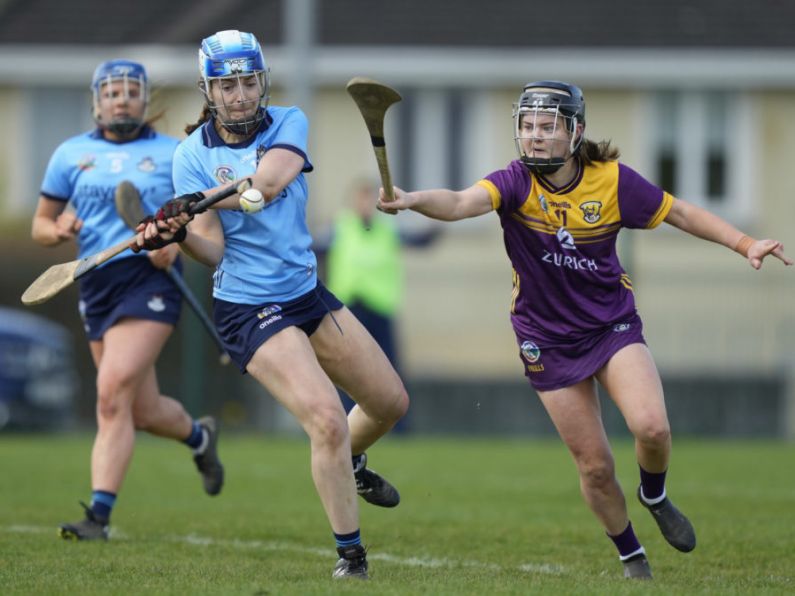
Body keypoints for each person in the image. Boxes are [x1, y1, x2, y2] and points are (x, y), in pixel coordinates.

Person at [376, 80, 792, 579]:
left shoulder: (612, 182)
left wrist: (743, 242)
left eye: (547, 127)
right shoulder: (514, 182)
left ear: (575, 131)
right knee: (594, 467)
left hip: (610, 325)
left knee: (653, 428)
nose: (534, 137)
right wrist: (414, 198)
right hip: (545, 338)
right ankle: (631, 556)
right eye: (527, 126)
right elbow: (462, 202)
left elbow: (679, 211)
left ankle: (654, 493)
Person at [131, 30, 409, 579]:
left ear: (262, 82)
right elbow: (211, 248)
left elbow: (268, 187)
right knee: (327, 419)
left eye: (247, 81)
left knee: (390, 403)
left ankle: (350, 461)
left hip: (305, 292)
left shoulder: (289, 122)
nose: (239, 94)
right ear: (208, 90)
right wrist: (178, 232)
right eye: (226, 84)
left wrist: (198, 200)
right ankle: (351, 556)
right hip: (247, 305)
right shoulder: (191, 156)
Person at [31, 59, 225, 541]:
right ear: (98, 101)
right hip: (95, 283)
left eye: (131, 92)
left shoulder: (174, 154)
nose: (122, 100)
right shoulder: (70, 154)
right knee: (140, 409)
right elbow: (41, 223)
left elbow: (200, 222)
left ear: (145, 100)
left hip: (150, 281)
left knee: (111, 391)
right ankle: (200, 437)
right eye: (112, 92)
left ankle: (97, 516)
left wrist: (174, 244)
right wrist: (57, 231)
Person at [317, 179, 440, 430]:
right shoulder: (340, 227)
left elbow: (421, 240)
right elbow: (311, 248)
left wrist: (438, 216)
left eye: (369, 199)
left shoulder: (389, 228)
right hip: (348, 309)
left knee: (389, 369)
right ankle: (347, 425)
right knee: (347, 370)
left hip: (380, 307)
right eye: (361, 199)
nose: (365, 205)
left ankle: (399, 429)